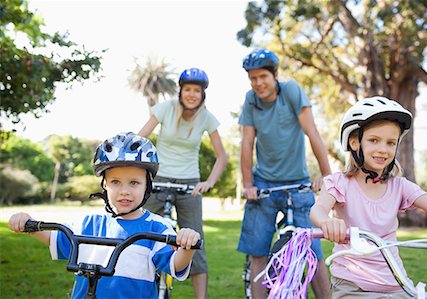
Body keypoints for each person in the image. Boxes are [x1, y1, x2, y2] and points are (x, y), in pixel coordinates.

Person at [8, 132, 201, 299]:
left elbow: (175, 264)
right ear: (105, 185)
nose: (124, 191)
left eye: (134, 183)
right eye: (116, 182)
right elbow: (56, 238)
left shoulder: (156, 227)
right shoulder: (88, 224)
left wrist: (187, 246)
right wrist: (28, 225)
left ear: (147, 186)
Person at [310, 96, 427, 298]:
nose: (383, 149)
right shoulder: (339, 183)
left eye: (391, 143)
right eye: (374, 140)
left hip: (396, 283)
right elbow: (318, 209)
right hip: (353, 285)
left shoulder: (399, 186)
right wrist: (327, 222)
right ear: (355, 142)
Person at [237, 48, 332, 298]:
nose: (258, 83)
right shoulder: (250, 100)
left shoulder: (290, 91)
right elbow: (247, 142)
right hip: (263, 184)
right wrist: (248, 184)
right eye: (253, 78)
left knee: (313, 251)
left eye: (263, 77)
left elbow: (312, 132)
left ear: (275, 75)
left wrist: (326, 175)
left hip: (298, 184)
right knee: (258, 252)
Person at [138, 67, 228, 299]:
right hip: (157, 181)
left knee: (195, 242)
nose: (191, 94)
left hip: (189, 185)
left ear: (202, 94)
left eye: (196, 91)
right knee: (141, 234)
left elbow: (222, 156)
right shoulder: (165, 109)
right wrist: (141, 174)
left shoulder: (207, 118)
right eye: (187, 89)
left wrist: (208, 182)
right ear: (180, 91)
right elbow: (139, 140)